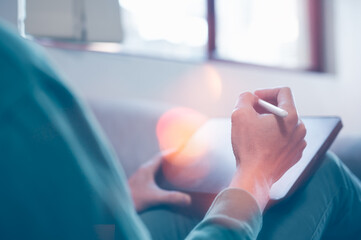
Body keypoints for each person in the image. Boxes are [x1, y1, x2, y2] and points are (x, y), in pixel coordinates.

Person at [0, 19, 360, 240]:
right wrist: (254, 180)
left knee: (175, 209)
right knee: (321, 172)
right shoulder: (12, 76)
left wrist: (117, 202)